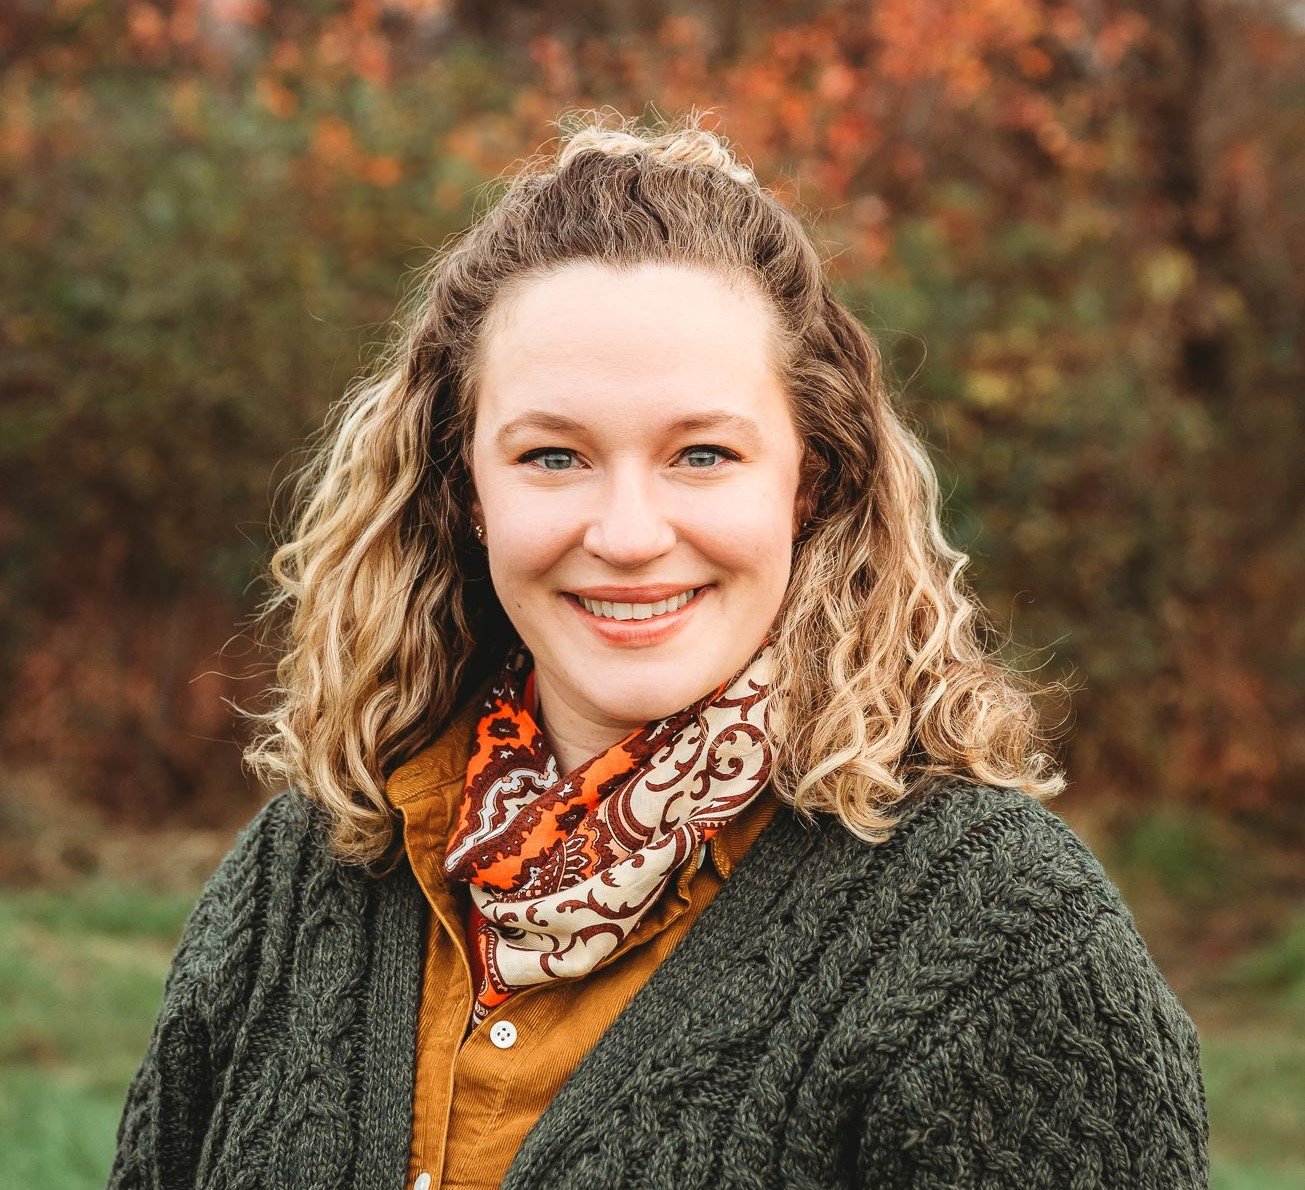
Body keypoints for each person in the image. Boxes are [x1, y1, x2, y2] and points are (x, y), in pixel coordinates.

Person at [109, 113, 1209, 1189]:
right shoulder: (310, 863)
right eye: (552, 454)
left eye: (701, 453)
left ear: (809, 478)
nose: (629, 534)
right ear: (467, 488)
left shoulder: (1003, 944)